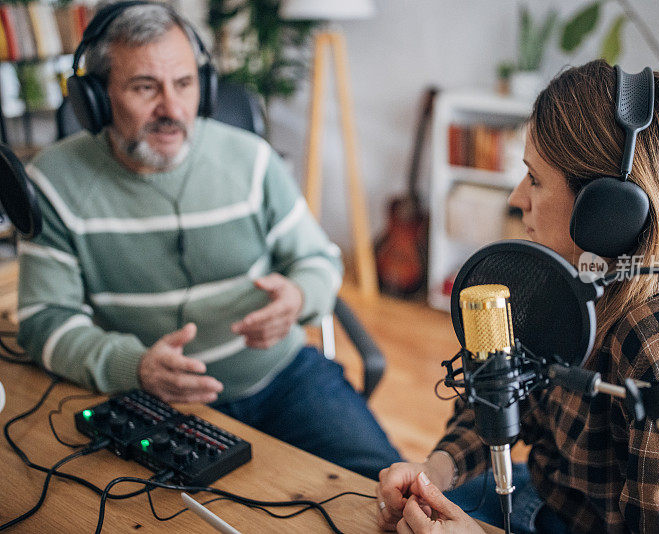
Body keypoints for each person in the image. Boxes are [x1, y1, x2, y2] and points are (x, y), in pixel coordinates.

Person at [376, 60, 659, 533]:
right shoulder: (573, 273)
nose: (517, 199)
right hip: (545, 501)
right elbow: (505, 389)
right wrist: (437, 471)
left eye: (535, 179)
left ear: (609, 212)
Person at [16, 1, 401, 480]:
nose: (173, 110)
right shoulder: (52, 182)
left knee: (397, 491)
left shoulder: (253, 160)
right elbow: (43, 320)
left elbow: (317, 258)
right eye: (144, 88)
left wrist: (299, 295)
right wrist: (131, 367)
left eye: (184, 84)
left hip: (281, 378)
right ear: (94, 97)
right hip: (148, 400)